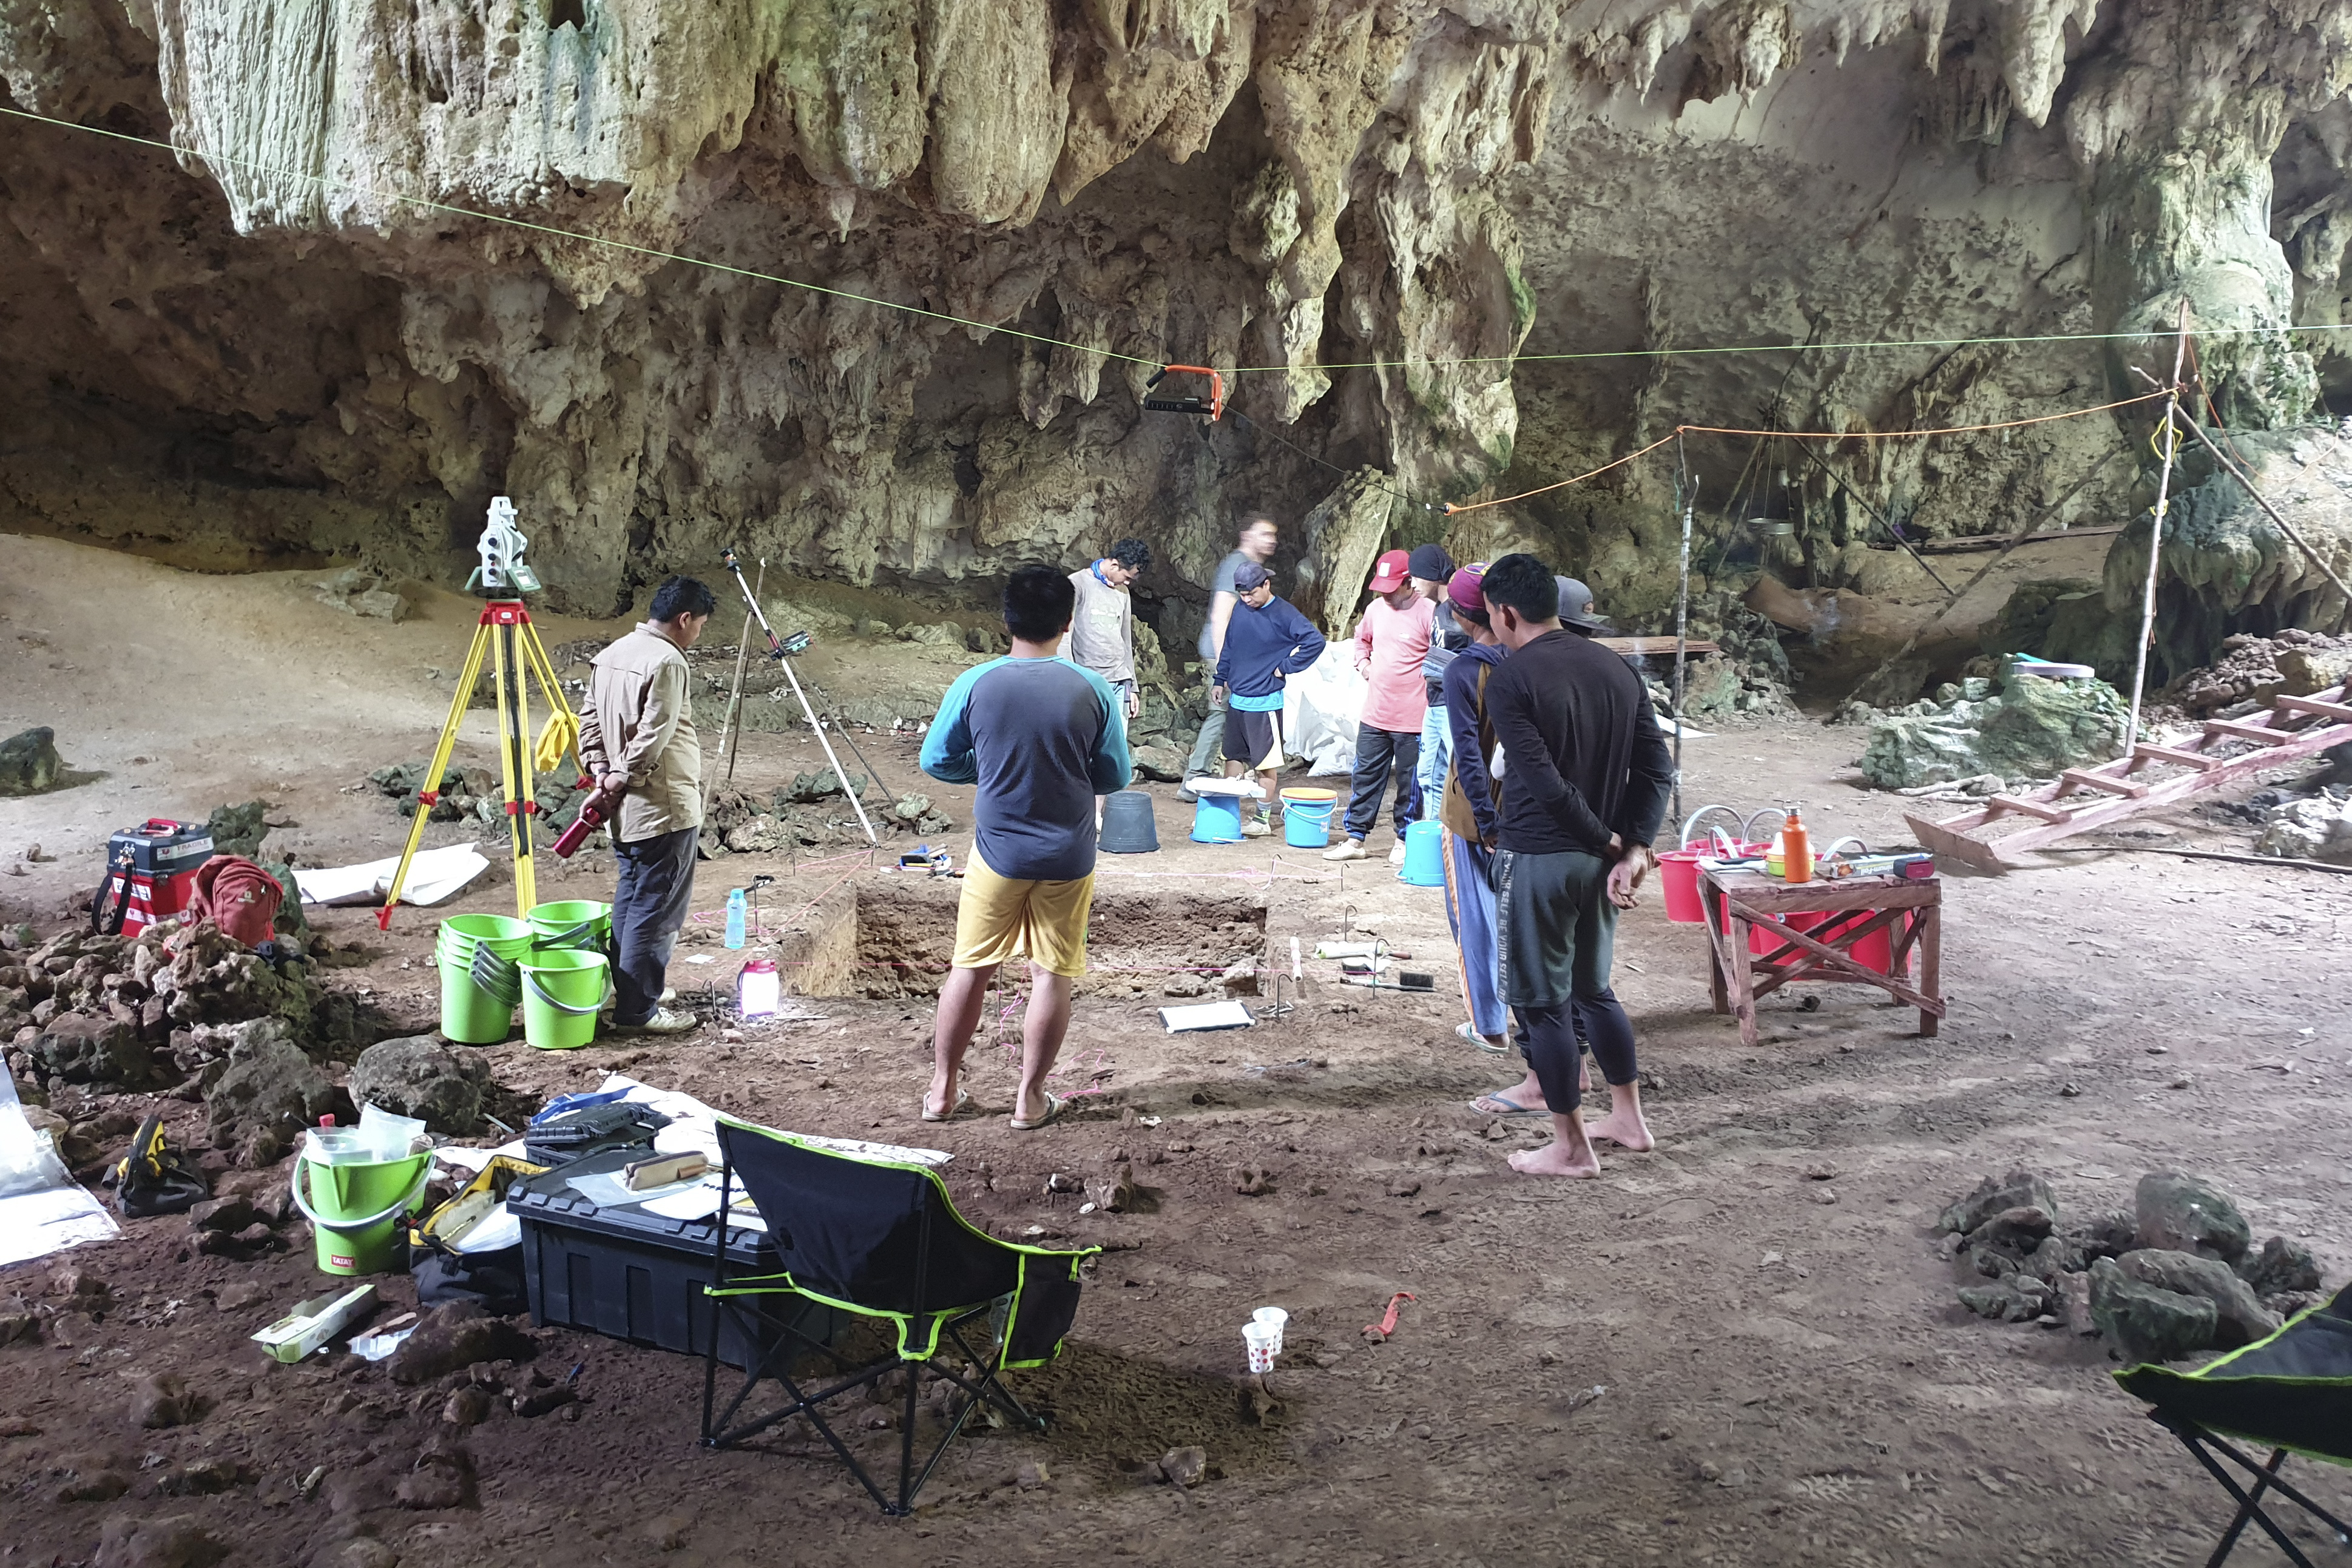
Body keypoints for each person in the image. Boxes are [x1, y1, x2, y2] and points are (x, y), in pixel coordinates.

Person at [1479, 553, 1674, 1178]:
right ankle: (1628, 1119)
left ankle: (1569, 1147)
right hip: (1599, 864)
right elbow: (1655, 770)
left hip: (1541, 856)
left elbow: (1542, 781)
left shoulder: (1512, 678)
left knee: (1543, 1004)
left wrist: (1614, 841)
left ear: (1506, 613)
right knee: (1594, 991)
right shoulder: (1618, 670)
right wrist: (1634, 846)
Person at [921, 566, 1131, 1130]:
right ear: (1069, 622)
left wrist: (989, 770)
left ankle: (942, 1092)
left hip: (997, 855)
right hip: (1068, 854)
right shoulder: (1093, 690)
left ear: (1006, 620)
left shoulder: (976, 683)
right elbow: (1115, 774)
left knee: (970, 968)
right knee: (1051, 975)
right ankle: (1030, 1099)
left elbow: (936, 760)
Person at [576, 574, 717, 1036]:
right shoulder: (668, 661)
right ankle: (640, 1012)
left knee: (631, 897)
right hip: (664, 804)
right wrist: (620, 775)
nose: (699, 634)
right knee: (655, 910)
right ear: (684, 619)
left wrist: (601, 770)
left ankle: (630, 989)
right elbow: (655, 733)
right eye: (700, 624)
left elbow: (589, 721)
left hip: (625, 809)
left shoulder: (613, 654)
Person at [1325, 548, 1433, 863]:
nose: (1385, 595)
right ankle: (1355, 839)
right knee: (1365, 778)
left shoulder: (1428, 613)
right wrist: (1364, 665)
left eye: (1391, 588)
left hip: (1414, 718)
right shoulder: (1375, 610)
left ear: (1408, 581)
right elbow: (1362, 640)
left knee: (1409, 784)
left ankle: (1404, 840)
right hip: (1376, 714)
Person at [1212, 562, 1326, 835]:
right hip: (1237, 698)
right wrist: (1220, 678)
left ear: (1266, 585)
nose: (1247, 600)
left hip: (1265, 702)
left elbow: (1315, 641)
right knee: (1233, 757)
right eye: (1242, 595)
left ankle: (1262, 820)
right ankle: (1230, 816)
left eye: (1252, 593)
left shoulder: (1285, 614)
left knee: (1265, 764)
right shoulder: (1241, 608)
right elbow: (1230, 645)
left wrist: (1285, 667)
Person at [1183, 515, 1280, 794]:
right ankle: (1194, 780)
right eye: (1264, 533)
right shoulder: (1235, 566)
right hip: (1223, 656)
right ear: (1246, 534)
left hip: (1238, 659)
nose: (1271, 540)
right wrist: (1222, 667)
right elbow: (1220, 617)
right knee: (1221, 714)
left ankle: (1227, 776)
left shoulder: (1248, 567)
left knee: (1231, 716)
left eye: (1273, 535)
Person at [1059, 539, 1151, 824]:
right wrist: (1069, 678)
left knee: (1110, 753)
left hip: (1118, 683)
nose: (1128, 582)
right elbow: (1065, 635)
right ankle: (1075, 812)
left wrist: (1132, 686)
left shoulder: (1123, 593)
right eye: (1126, 575)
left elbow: (1127, 640)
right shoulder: (1077, 585)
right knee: (1080, 749)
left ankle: (1096, 816)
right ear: (1113, 564)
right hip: (1086, 683)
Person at [1410, 542, 1465, 820]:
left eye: (1417, 577)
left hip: (1454, 706)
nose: (1412, 584)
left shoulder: (1460, 610)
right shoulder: (1437, 610)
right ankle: (1433, 836)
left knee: (1460, 773)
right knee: (1428, 774)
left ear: (1433, 575)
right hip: (1434, 703)